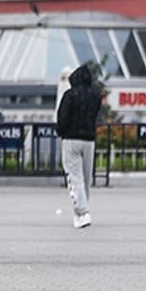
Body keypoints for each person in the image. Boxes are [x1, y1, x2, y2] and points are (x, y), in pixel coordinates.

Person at [55, 64, 101, 229]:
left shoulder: (70, 95)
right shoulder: (96, 95)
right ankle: (81, 212)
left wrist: (61, 131)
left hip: (71, 139)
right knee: (86, 178)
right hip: (89, 139)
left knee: (75, 178)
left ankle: (82, 212)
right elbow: (95, 114)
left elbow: (62, 116)